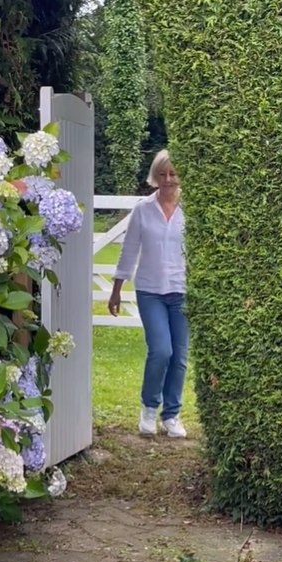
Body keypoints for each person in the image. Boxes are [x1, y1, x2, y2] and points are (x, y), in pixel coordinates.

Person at [108, 149, 188, 438]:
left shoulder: (189, 210)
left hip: (182, 291)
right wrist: (116, 289)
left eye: (173, 173)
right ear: (154, 177)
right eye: (162, 174)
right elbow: (129, 251)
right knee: (161, 351)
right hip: (150, 291)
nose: (168, 179)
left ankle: (172, 415)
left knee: (179, 356)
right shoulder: (143, 210)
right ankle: (149, 409)